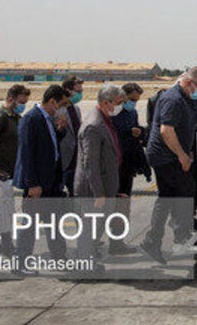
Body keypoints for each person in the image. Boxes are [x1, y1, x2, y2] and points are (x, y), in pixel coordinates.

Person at [141, 68, 197, 264]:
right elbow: (166, 131)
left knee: (167, 198)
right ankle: (181, 237)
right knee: (185, 190)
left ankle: (152, 241)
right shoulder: (173, 99)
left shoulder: (187, 98)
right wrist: (181, 155)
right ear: (189, 83)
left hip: (172, 154)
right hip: (164, 156)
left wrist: (186, 151)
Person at [13, 84, 70, 274]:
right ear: (52, 101)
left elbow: (50, 146)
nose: (62, 108)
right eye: (61, 104)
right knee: (29, 226)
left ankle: (60, 259)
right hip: (37, 183)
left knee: (54, 223)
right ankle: (20, 263)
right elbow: (26, 154)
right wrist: (32, 184)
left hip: (51, 181)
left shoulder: (49, 119)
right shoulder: (31, 119)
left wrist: (61, 130)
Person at [74, 84, 126, 264]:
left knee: (97, 227)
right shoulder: (93, 126)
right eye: (119, 103)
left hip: (105, 185)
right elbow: (90, 163)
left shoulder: (104, 120)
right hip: (94, 190)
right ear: (106, 102)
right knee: (89, 229)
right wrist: (99, 193)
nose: (121, 107)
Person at [0, 84, 29, 256]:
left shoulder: (16, 118)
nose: (24, 105)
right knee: (3, 211)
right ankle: (7, 246)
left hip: (10, 172)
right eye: (21, 101)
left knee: (2, 210)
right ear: (11, 99)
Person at [110, 82, 151, 255]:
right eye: (131, 99)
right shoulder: (112, 114)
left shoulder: (132, 113)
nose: (133, 103)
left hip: (127, 166)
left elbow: (135, 136)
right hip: (113, 166)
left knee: (123, 207)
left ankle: (117, 242)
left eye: (136, 100)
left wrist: (139, 132)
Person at [57, 76, 84, 196]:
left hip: (76, 162)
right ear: (67, 90)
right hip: (62, 163)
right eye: (78, 92)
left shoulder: (76, 109)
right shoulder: (57, 110)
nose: (80, 94)